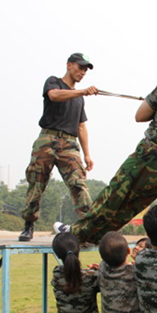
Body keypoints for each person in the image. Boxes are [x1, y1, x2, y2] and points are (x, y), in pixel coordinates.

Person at [54, 50, 157, 244]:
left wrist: (155, 104)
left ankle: (74, 232)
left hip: (151, 154)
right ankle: (97, 236)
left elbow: (140, 116)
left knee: (114, 194)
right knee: (132, 205)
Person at [19, 53, 98, 242]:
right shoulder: (54, 82)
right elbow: (54, 96)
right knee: (37, 182)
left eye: (85, 70)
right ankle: (28, 225)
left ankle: (89, 227)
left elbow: (81, 126)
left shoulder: (80, 99)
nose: (83, 72)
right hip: (47, 138)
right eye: (80, 67)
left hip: (69, 144)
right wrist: (82, 91)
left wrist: (87, 154)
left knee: (79, 184)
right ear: (69, 65)